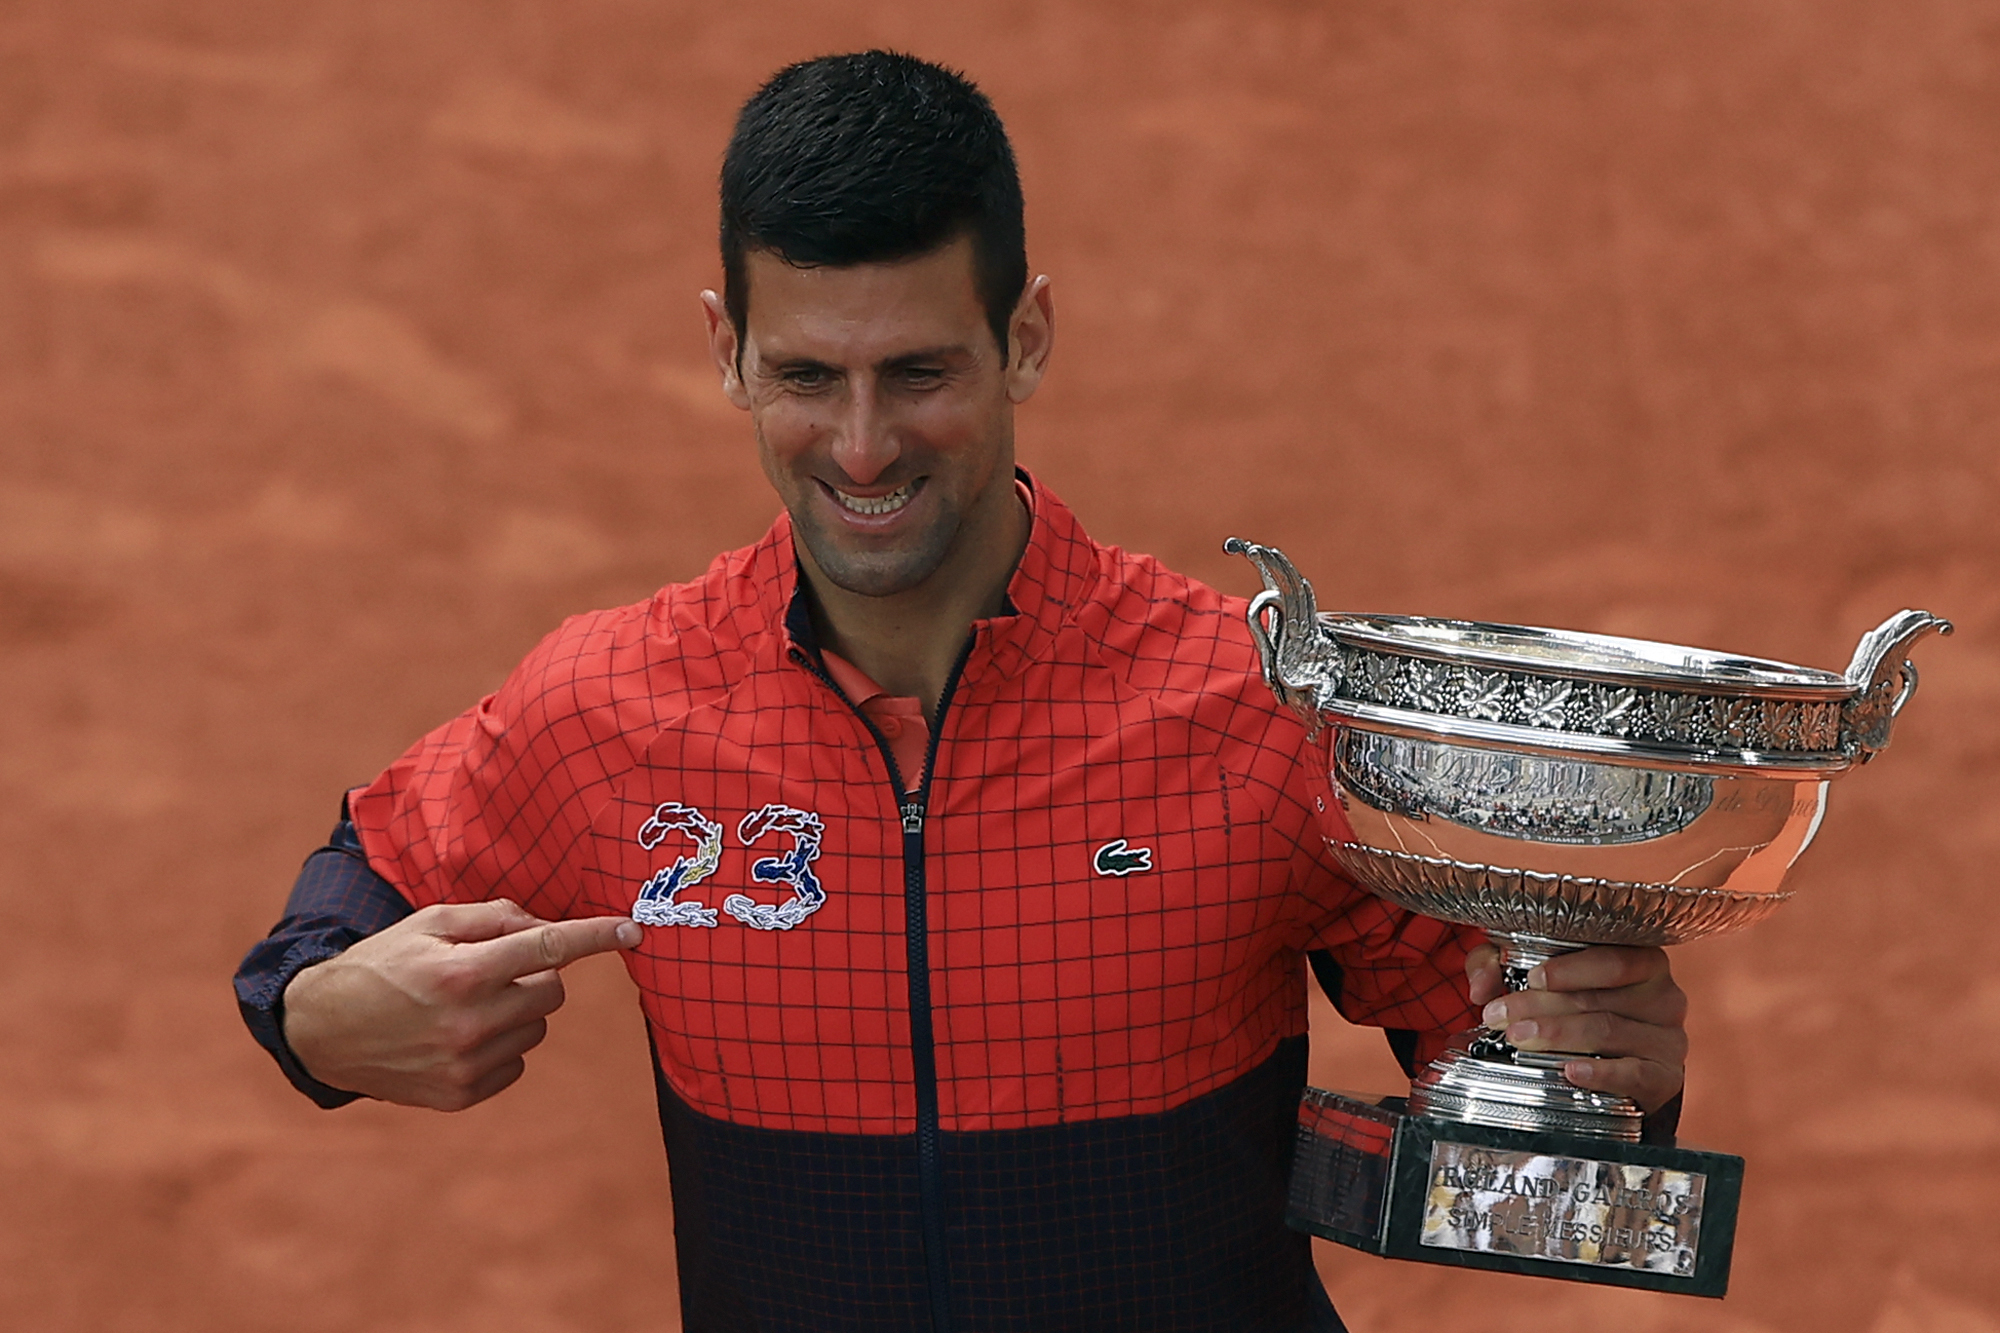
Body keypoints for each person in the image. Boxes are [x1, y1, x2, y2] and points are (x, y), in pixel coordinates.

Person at [235, 51, 1688, 1333]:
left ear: (1028, 338)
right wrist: (314, 1014)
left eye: (919, 371)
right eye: (808, 374)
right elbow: (367, 871)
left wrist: (1614, 1095)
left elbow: (1549, 1184)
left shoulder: (1258, 710)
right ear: (726, 352)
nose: (862, 448)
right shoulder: (612, 707)